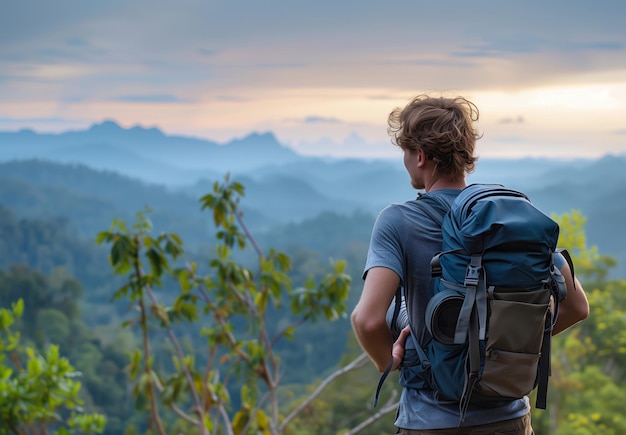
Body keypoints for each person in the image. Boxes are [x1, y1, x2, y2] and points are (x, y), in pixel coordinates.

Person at [350, 94, 589, 434]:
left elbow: (368, 320)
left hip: (431, 422)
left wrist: (389, 362)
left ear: (420, 156)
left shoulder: (398, 221)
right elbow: (577, 307)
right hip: (510, 419)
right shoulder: (507, 218)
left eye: (405, 151)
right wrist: (507, 349)